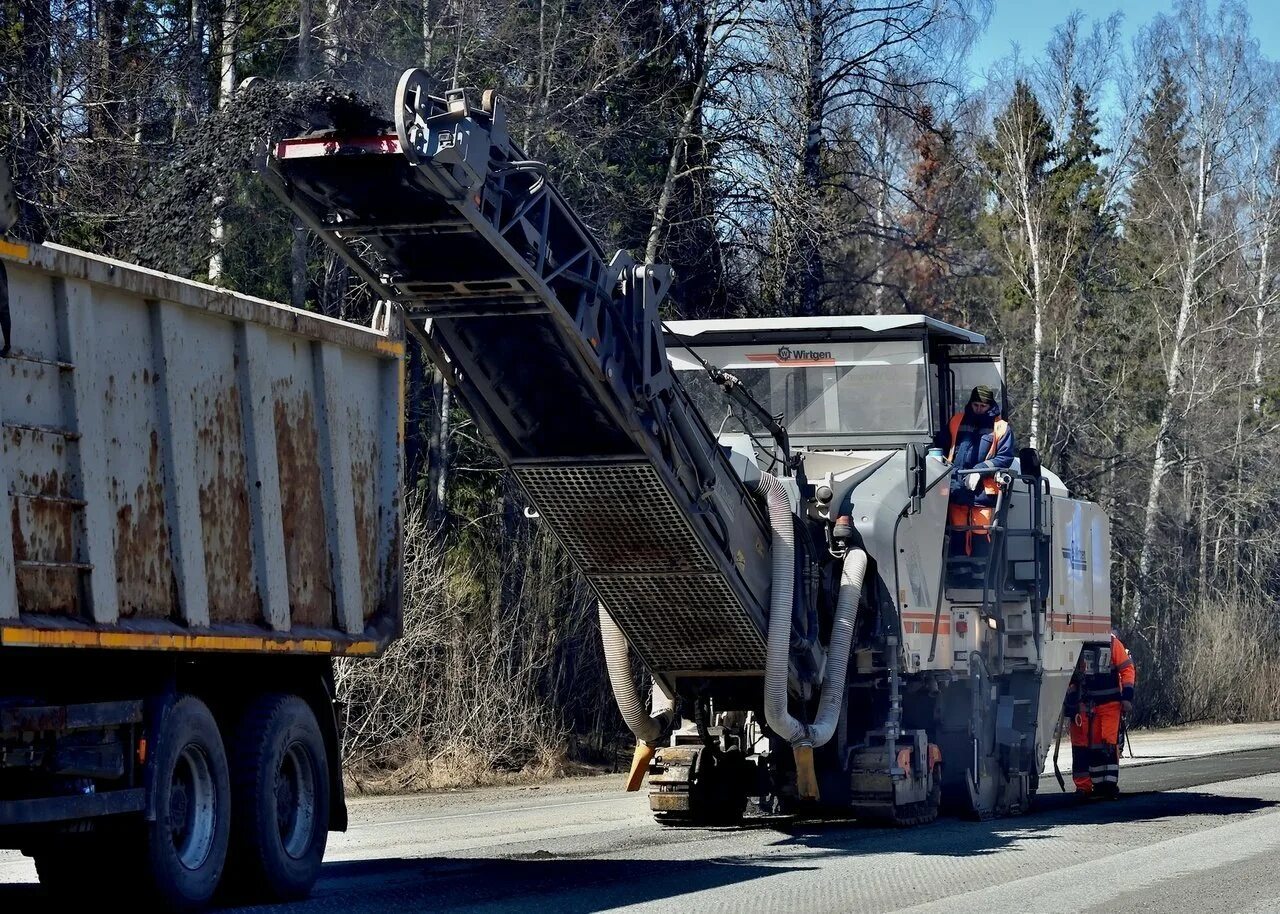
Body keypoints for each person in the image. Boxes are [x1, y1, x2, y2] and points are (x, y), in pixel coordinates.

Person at [937, 385, 1014, 556]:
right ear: (970, 403)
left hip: (984, 493)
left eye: (983, 406)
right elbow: (941, 447)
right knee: (957, 534)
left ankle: (981, 578)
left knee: (981, 535)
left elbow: (1005, 457)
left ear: (990, 405)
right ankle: (960, 575)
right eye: (976, 405)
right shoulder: (956, 421)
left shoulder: (1001, 427)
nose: (979, 409)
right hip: (956, 488)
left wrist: (979, 470)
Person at [1062, 631, 1137, 799]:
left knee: (1107, 744)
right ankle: (1084, 787)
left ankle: (1107, 785)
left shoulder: (1112, 643)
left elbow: (1127, 669)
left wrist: (1127, 696)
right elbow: (1064, 673)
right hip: (1083, 704)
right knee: (1081, 746)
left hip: (1109, 704)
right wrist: (1071, 695)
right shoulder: (1072, 642)